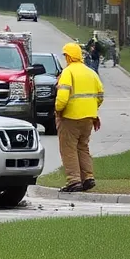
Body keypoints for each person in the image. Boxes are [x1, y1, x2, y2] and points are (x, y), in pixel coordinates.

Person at [55, 42, 105, 193]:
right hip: (88, 118)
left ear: (69, 56)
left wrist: (58, 110)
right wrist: (92, 110)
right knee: (83, 147)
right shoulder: (91, 73)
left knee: (68, 149)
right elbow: (100, 95)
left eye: (65, 56)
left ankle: (74, 181)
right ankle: (88, 177)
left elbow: (63, 97)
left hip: (70, 117)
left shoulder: (68, 72)